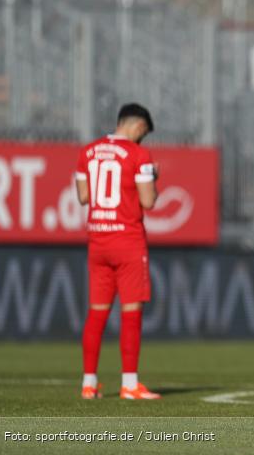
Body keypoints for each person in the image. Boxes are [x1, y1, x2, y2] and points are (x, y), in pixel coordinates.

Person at [75, 103, 160, 400]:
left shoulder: (88, 152)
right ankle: (129, 383)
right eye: (143, 133)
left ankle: (88, 383)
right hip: (127, 241)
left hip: (98, 241)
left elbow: (84, 196)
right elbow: (148, 201)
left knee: (97, 313)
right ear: (138, 126)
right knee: (131, 313)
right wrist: (154, 180)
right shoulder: (139, 155)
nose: (142, 139)